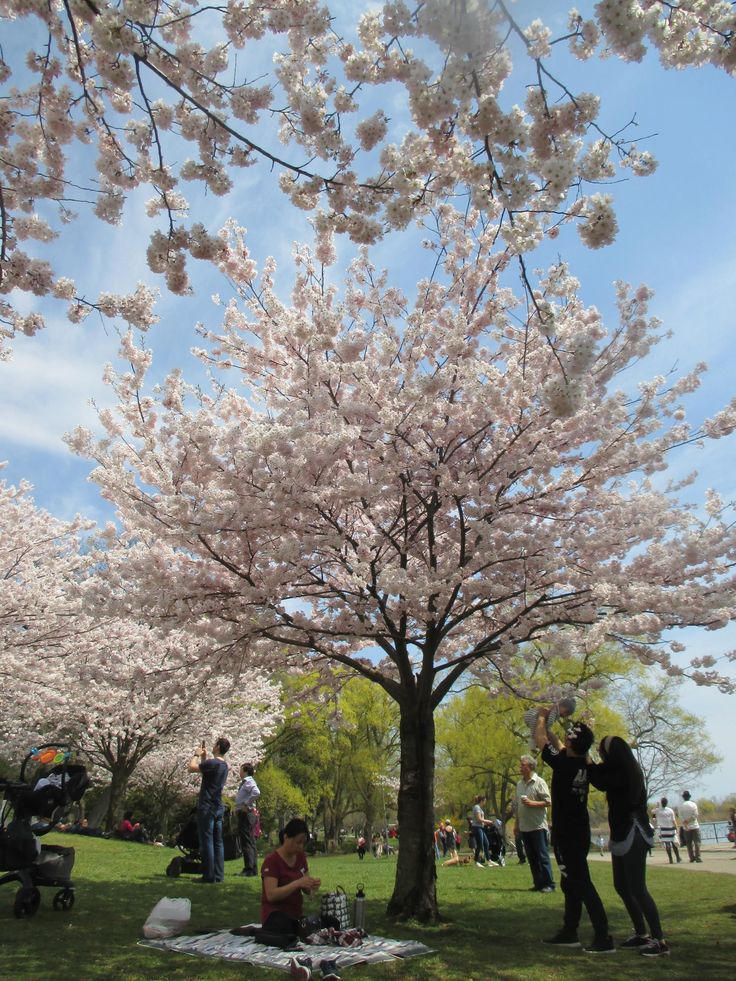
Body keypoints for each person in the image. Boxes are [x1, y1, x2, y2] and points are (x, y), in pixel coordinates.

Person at [533, 710, 613, 953]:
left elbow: (541, 742)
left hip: (568, 832)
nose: (563, 741)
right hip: (579, 830)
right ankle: (570, 931)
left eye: (567, 739)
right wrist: (551, 729)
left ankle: (603, 936)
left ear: (571, 743)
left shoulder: (564, 764)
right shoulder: (581, 762)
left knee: (581, 883)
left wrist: (541, 718)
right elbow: (556, 743)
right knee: (570, 882)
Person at [588, 736, 669, 958]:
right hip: (622, 831)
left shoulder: (623, 773)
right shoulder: (622, 769)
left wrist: (587, 759)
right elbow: (601, 775)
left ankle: (659, 940)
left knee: (637, 888)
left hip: (633, 832)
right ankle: (642, 933)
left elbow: (600, 780)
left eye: (602, 752)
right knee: (622, 885)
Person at [261, 817, 321, 931]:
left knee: (324, 923)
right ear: (286, 837)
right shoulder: (271, 861)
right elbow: (271, 895)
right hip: (275, 916)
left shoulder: (301, 857)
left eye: (303, 843)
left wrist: (312, 885)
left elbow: (307, 889)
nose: (300, 847)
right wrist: (297, 884)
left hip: (295, 915)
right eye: (298, 842)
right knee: (286, 926)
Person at [188, 736, 230, 883]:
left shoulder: (213, 763)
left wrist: (196, 754)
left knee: (207, 840)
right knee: (218, 842)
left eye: (214, 745)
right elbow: (207, 770)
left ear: (218, 747)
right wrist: (205, 757)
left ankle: (208, 876)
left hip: (207, 806)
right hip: (218, 806)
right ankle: (218, 875)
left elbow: (191, 768)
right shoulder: (224, 766)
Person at [514, 755, 555, 892]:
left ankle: (549, 884)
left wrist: (532, 803)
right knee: (531, 857)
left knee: (542, 856)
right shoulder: (519, 784)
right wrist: (516, 824)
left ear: (530, 767)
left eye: (522, 765)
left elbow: (548, 801)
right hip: (525, 827)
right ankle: (538, 883)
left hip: (537, 826)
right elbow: (518, 807)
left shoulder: (539, 782)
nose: (520, 767)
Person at [235, 762, 261, 877]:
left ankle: (249, 868)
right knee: (250, 841)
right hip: (245, 813)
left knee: (246, 841)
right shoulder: (246, 782)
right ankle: (253, 868)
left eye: (241, 770)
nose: (239, 772)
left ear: (245, 771)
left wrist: (246, 804)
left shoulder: (249, 781)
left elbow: (256, 792)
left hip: (246, 814)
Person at [653, 797, 681, 864]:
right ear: (666, 803)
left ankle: (670, 859)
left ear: (661, 803)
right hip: (670, 828)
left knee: (667, 843)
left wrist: (657, 806)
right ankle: (677, 858)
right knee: (674, 843)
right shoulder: (670, 810)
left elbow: (653, 817)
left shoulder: (658, 810)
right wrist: (677, 827)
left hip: (663, 829)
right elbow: (673, 820)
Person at [470, 795, 496, 867]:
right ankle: (476, 861)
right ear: (482, 800)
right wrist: (489, 821)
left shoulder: (480, 808)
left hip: (480, 828)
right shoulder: (476, 807)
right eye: (485, 800)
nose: (485, 802)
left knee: (486, 843)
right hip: (476, 828)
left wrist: (487, 824)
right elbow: (479, 819)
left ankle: (489, 861)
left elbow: (482, 821)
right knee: (480, 844)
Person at [679, 791, 702, 863]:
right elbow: (695, 815)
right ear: (689, 796)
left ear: (683, 797)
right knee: (697, 842)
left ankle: (691, 857)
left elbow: (680, 816)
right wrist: (689, 820)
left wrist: (685, 822)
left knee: (689, 843)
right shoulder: (693, 804)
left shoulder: (681, 806)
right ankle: (698, 857)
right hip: (695, 826)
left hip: (686, 827)